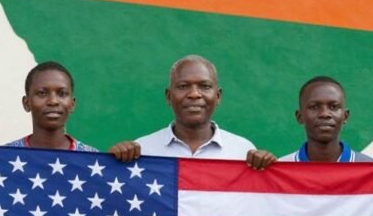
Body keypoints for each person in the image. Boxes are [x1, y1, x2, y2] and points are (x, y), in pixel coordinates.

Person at [109, 55, 272, 168]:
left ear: (218, 96)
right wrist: (110, 163)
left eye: (205, 86)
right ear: (168, 96)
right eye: (183, 86)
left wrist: (268, 166)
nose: (194, 94)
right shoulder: (141, 150)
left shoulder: (242, 151)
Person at [6, 61, 98, 151]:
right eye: (42, 93)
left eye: (62, 94)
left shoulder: (91, 157)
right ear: (26, 103)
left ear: (72, 104)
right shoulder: (5, 156)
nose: (53, 101)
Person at [281, 76, 373, 162]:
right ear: (299, 116)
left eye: (334, 107)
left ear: (345, 116)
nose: (324, 114)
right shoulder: (282, 167)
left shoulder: (368, 167)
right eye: (314, 107)